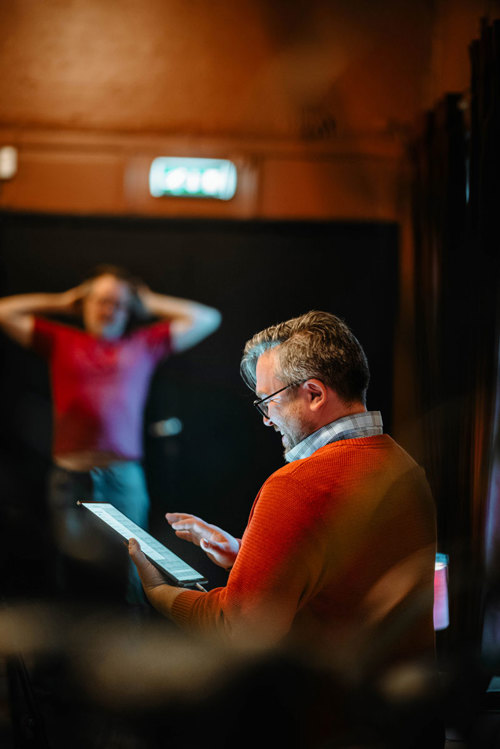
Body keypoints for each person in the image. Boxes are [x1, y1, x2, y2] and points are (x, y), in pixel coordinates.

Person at [0, 265, 221, 604]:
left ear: (129, 310)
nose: (108, 309)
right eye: (100, 301)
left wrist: (148, 301)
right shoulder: (61, 340)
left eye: (117, 303)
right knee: (68, 577)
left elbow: (208, 317)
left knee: (134, 576)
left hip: (123, 479)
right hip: (69, 478)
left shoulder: (144, 344)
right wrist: (63, 302)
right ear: (85, 305)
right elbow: (4, 311)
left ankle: (131, 647)